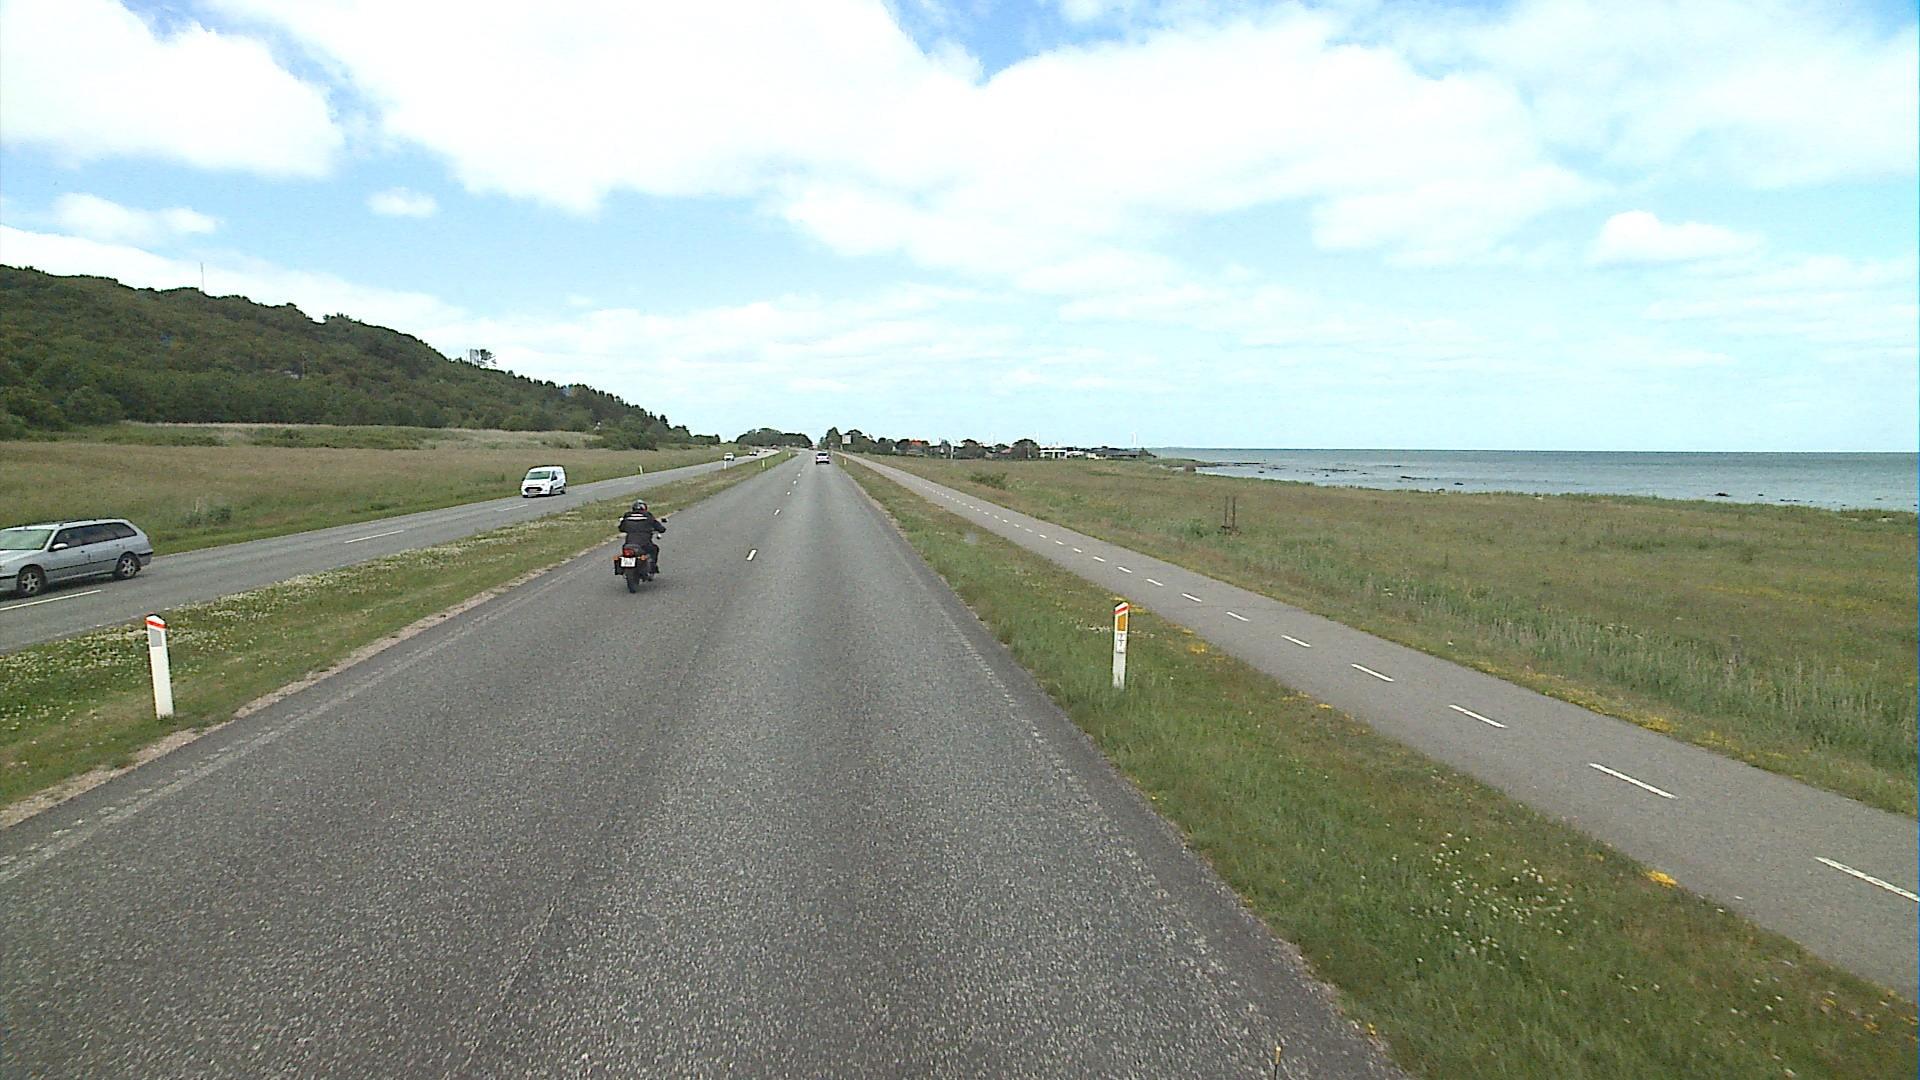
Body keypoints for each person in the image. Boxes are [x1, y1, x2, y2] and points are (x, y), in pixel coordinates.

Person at [617, 499, 666, 576]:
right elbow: (660, 528)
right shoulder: (648, 516)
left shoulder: (627, 516)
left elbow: (621, 528)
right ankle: (652, 568)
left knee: (625, 553)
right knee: (654, 549)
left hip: (629, 544)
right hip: (644, 543)